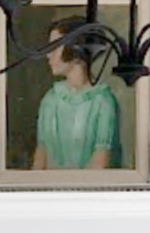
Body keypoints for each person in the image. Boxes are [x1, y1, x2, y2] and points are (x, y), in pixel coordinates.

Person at [31, 18, 121, 171]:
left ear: (77, 49)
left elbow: (101, 159)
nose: (48, 55)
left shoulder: (103, 101)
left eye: (54, 47)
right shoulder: (51, 99)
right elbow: (41, 155)